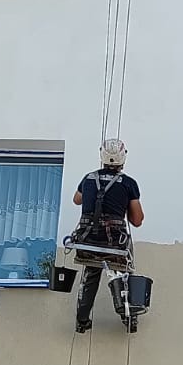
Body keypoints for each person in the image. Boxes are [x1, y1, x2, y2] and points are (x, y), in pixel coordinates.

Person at [71, 138, 144, 332]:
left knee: (91, 274)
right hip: (115, 244)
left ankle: (82, 320)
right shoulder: (128, 184)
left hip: (87, 240)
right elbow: (137, 220)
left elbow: (76, 200)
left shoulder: (88, 178)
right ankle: (129, 316)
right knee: (122, 272)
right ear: (123, 158)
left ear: (102, 156)